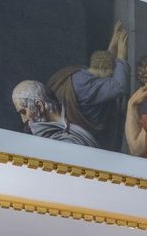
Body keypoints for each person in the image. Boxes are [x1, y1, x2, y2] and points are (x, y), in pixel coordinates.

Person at [49, 21, 131, 151]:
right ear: (103, 68)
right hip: (85, 138)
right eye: (110, 71)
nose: (112, 74)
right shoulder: (89, 87)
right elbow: (120, 86)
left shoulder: (80, 73)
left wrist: (113, 44)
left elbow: (105, 65)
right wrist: (121, 55)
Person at [11, 80, 96, 147]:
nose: (24, 120)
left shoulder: (69, 141)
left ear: (39, 106)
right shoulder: (81, 132)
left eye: (23, 112)